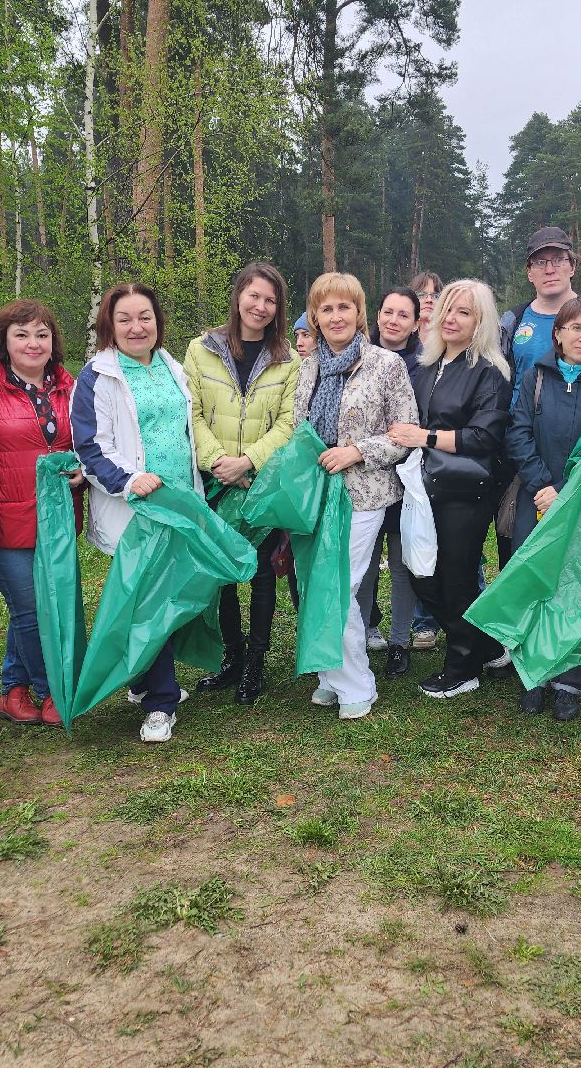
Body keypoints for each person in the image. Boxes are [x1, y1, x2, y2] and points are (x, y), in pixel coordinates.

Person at [71, 283, 203, 744]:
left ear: (157, 321)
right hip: (136, 507)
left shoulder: (172, 367)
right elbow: (90, 447)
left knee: (158, 597)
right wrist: (130, 481)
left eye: (144, 317)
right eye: (124, 318)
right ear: (109, 324)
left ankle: (144, 679)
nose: (136, 327)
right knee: (152, 603)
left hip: (177, 503)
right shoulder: (97, 377)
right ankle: (161, 702)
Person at [293, 272, 418, 718]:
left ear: (359, 312)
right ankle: (330, 673)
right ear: (315, 316)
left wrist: (355, 452)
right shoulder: (307, 366)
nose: (335, 316)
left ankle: (357, 685)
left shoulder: (386, 365)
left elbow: (404, 436)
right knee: (316, 585)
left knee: (340, 587)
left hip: (364, 493)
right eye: (326, 308)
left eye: (344, 306)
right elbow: (298, 428)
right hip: (316, 494)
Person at [390, 279, 513, 699]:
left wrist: (424, 437)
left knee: (456, 578)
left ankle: (462, 666)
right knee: (422, 576)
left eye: (464, 312)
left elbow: (483, 437)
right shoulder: (426, 365)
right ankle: (487, 645)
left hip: (466, 491)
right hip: (423, 488)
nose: (452, 318)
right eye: (447, 309)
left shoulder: (490, 372)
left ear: (481, 321)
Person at [504, 295, 581, 720]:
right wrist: (542, 484)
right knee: (535, 584)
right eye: (575, 328)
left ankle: (569, 681)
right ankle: (532, 675)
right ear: (558, 334)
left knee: (576, 588)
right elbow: (517, 432)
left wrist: (568, 491)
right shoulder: (536, 377)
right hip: (535, 499)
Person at [185, 262, 298, 704]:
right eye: (254, 296)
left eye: (270, 300)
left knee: (263, 572)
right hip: (214, 481)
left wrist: (249, 461)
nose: (261, 306)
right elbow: (189, 410)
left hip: (261, 482)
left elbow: (289, 422)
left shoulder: (286, 359)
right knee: (224, 573)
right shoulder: (202, 349)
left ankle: (256, 662)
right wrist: (218, 461)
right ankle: (231, 656)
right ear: (238, 296)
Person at [0, 299, 82, 729]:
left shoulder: (72, 387)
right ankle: (51, 689)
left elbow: (92, 441)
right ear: (4, 341)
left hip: (57, 517)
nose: (33, 343)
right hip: (4, 517)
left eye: (42, 334)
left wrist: (85, 471)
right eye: (21, 334)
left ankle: (12, 690)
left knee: (37, 603)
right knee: (32, 608)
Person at [357, 286, 425, 675]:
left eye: (403, 314)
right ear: (377, 315)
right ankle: (363, 631)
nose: (394, 320)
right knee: (364, 561)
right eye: (388, 312)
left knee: (401, 563)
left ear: (416, 323)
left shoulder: (423, 364)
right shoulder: (359, 357)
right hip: (364, 475)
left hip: (405, 478)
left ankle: (400, 641)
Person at [498, 226, 581, 404]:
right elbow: (499, 386)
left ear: (572, 267)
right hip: (523, 428)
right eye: (540, 262)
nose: (550, 270)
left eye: (558, 260)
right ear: (529, 273)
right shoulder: (512, 320)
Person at [406, 271, 444, 652]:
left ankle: (466, 615)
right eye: (422, 293)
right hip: (407, 457)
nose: (430, 299)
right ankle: (424, 619)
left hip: (444, 456)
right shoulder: (403, 343)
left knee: (451, 540)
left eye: (436, 293)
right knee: (415, 538)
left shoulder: (452, 343)